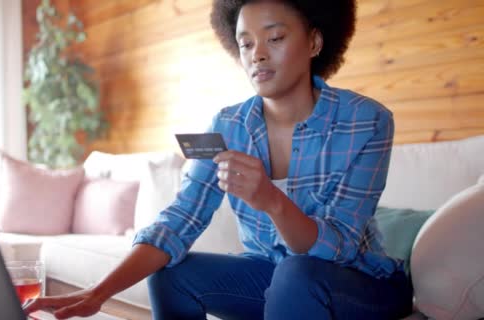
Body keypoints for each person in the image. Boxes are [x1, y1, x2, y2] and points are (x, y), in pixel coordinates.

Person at [24, 0, 414, 319]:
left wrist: (272, 200)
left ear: (314, 42)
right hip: (274, 277)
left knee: (298, 272)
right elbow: (179, 221)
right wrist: (97, 293)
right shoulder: (229, 125)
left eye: (274, 37)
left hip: (360, 282)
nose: (258, 55)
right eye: (245, 44)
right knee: (171, 275)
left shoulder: (367, 121)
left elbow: (339, 246)